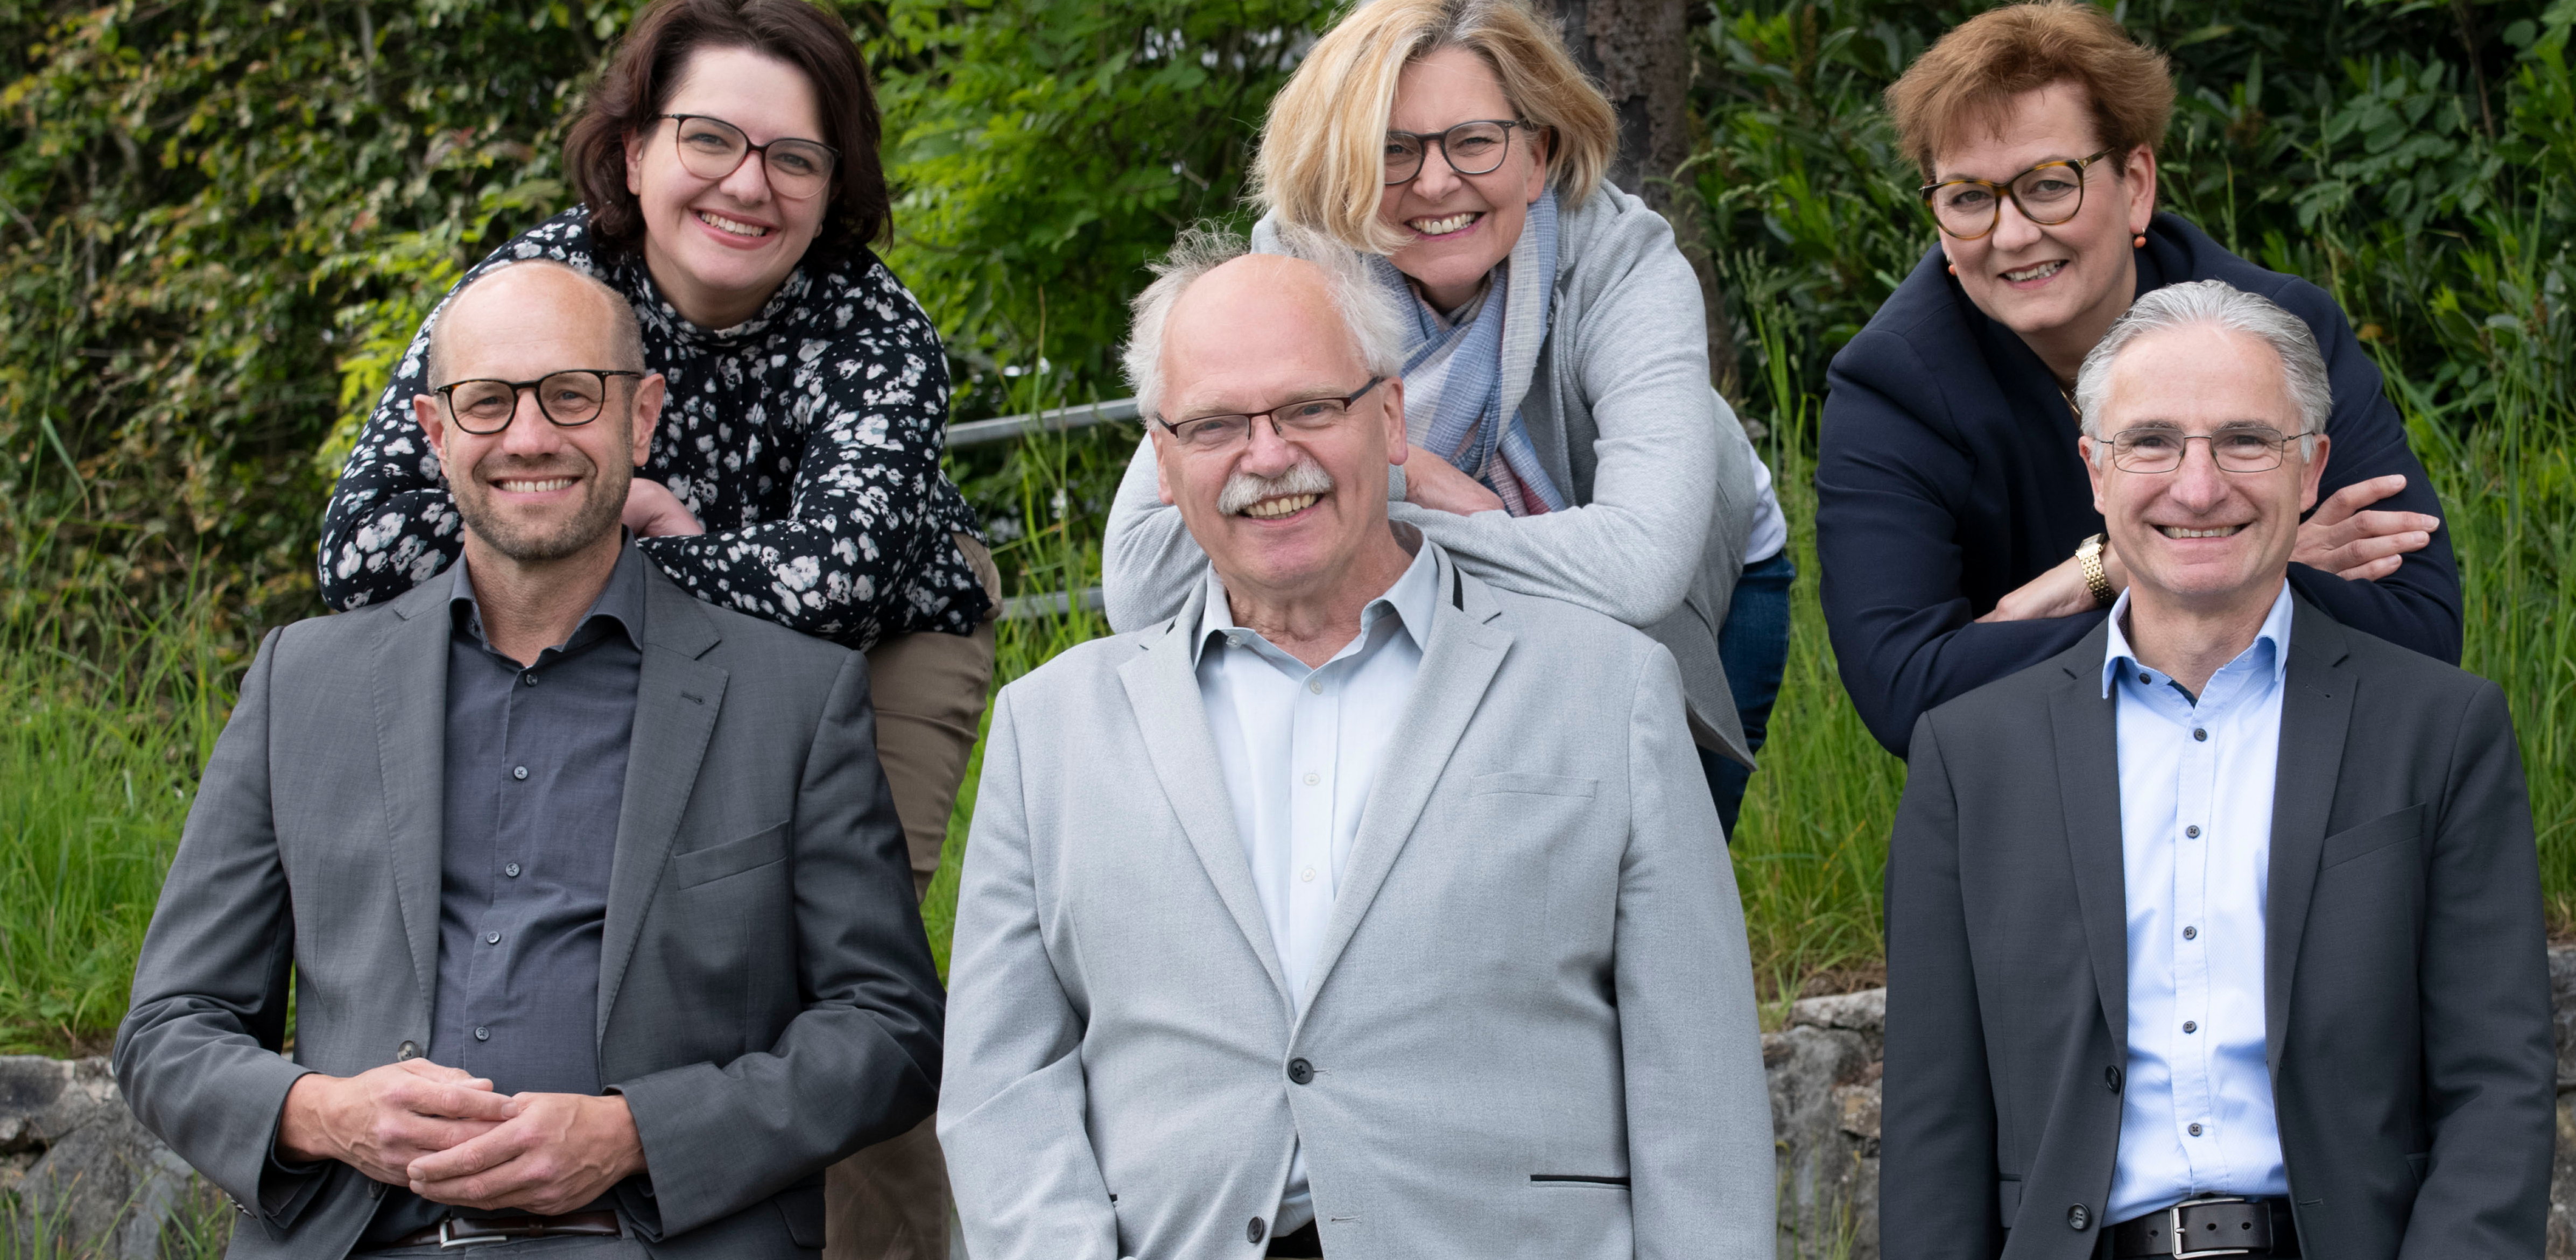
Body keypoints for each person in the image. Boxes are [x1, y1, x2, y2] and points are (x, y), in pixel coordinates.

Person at [940, 230, 1775, 1259]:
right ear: (1162, 461)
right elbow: (1001, 1087)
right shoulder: (1048, 729)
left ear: (1388, 419)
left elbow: (1699, 1087)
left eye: (1309, 408)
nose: (1266, 456)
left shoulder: (1608, 689)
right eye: (1215, 424)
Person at [313, 2, 982, 1252]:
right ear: (633, 152)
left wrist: (634, 545)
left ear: (834, 184)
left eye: (795, 156)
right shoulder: (537, 290)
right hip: (601, 616)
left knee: (835, 968)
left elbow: (837, 579)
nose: (749, 184)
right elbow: (361, 550)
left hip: (878, 644)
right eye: (709, 140)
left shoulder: (875, 328)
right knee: (635, 935)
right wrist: (624, 549)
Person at [114, 261, 945, 1258]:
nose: (529, 436)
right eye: (488, 402)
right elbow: (170, 1027)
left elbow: (888, 1027)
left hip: (652, 1240)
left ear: (641, 418)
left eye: (571, 395)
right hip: (363, 1241)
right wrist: (327, 1112)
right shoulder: (305, 682)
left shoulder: (794, 696)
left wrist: (637, 1134)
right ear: (435, 432)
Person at [1879, 280, 2551, 1259]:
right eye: (2151, 442)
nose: (2197, 488)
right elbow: (1931, 1128)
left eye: (2245, 441)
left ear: (2311, 467)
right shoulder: (1968, 756)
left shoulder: (2441, 731)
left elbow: (2497, 1086)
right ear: (2094, 470)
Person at [1101, 0, 1778, 805]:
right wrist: (1407, 478)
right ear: (1345, 168)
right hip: (1455, 599)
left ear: (1537, 155)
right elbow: (1141, 582)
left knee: (1653, 841)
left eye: (1474, 141)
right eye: (1392, 150)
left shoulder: (1624, 263)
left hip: (1700, 587)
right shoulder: (1295, 272)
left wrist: (1371, 513)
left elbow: (1638, 570)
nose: (1434, 181)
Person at [1818, 0, 2461, 758]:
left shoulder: (2282, 333)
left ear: (2136, 183)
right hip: (2045, 790)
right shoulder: (1892, 385)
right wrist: (2240, 565)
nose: (2012, 234)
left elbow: (2418, 631)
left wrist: (2088, 581)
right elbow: (1907, 696)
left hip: (2292, 768)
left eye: (2048, 184)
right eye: (1967, 197)